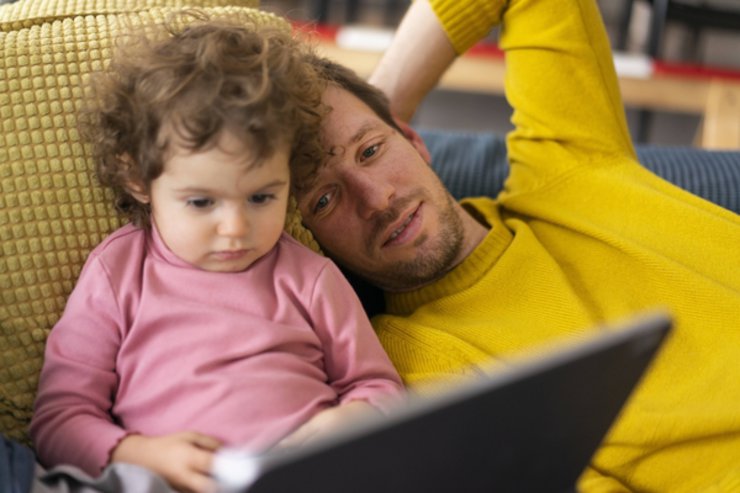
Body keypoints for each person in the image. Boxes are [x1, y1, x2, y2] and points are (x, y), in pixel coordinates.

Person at [292, 0, 740, 491]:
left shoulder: (565, 162)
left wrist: (383, 96)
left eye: (372, 150)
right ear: (310, 238)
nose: (377, 199)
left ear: (412, 138)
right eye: (326, 199)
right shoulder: (413, 364)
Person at [29, 17, 403, 493]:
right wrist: (137, 452)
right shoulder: (117, 274)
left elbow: (381, 389)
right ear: (138, 180)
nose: (236, 228)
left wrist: (352, 418)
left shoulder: (310, 277)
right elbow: (59, 418)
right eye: (202, 202)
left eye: (262, 197)